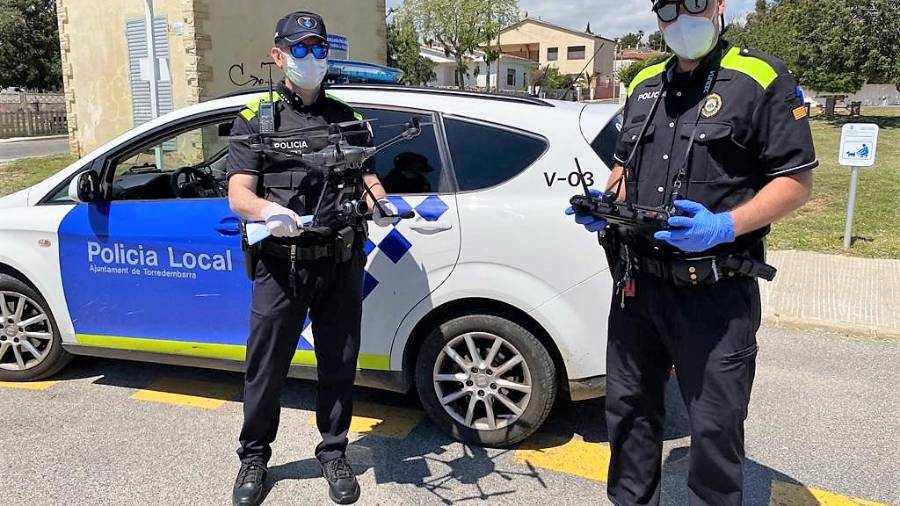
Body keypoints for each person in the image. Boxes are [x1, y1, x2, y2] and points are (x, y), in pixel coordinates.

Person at [566, 0, 815, 504]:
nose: (683, 18)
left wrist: (723, 226)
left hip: (716, 294)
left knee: (715, 429)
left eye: (695, 3)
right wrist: (607, 203)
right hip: (637, 289)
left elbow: (795, 182)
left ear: (720, 5)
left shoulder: (759, 76)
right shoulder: (643, 83)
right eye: (668, 8)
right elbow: (624, 169)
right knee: (630, 414)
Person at [226, 11, 396, 506]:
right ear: (278, 55)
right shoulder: (256, 118)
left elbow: (367, 178)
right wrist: (266, 211)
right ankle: (254, 458)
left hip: (340, 262)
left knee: (339, 363)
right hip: (281, 263)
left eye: (318, 49)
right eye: (299, 49)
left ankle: (334, 450)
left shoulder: (349, 118)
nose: (311, 58)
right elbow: (239, 192)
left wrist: (383, 205)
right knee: (267, 366)